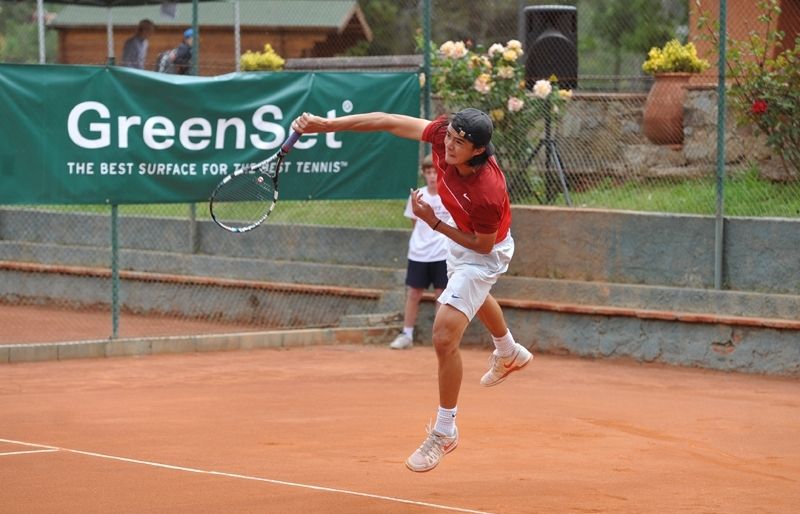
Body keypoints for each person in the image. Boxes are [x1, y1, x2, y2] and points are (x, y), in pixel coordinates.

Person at [292, 107, 533, 473]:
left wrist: (433, 222)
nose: (448, 145)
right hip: (462, 238)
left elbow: (482, 247)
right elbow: (387, 121)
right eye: (449, 136)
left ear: (479, 151)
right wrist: (325, 126)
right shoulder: (441, 136)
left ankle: (445, 430)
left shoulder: (488, 191)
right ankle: (509, 351)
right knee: (472, 296)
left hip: (484, 251)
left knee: (443, 334)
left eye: (459, 142)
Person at [389, 154, 453, 350]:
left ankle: (439, 337)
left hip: (442, 253)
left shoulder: (449, 196)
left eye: (435, 172)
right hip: (419, 253)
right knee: (414, 293)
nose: (432, 176)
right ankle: (407, 334)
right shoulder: (417, 196)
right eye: (428, 172)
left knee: (441, 294)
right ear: (424, 174)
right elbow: (415, 223)